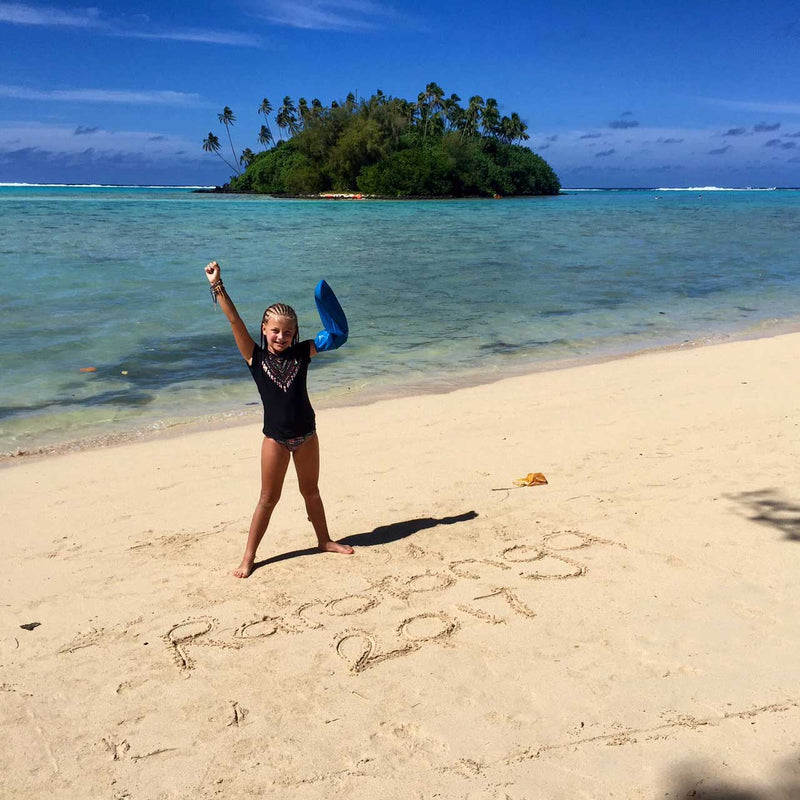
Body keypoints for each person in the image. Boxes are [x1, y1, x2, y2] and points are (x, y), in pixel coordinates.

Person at [204, 261, 354, 578]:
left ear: (295, 333)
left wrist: (324, 301)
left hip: (306, 436)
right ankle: (248, 557)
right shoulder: (254, 357)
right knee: (268, 498)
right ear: (264, 330)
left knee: (311, 492)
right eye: (275, 330)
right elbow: (234, 321)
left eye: (287, 332)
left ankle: (324, 540)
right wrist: (218, 285)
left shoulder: (302, 352)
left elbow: (337, 337)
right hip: (275, 439)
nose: (281, 337)